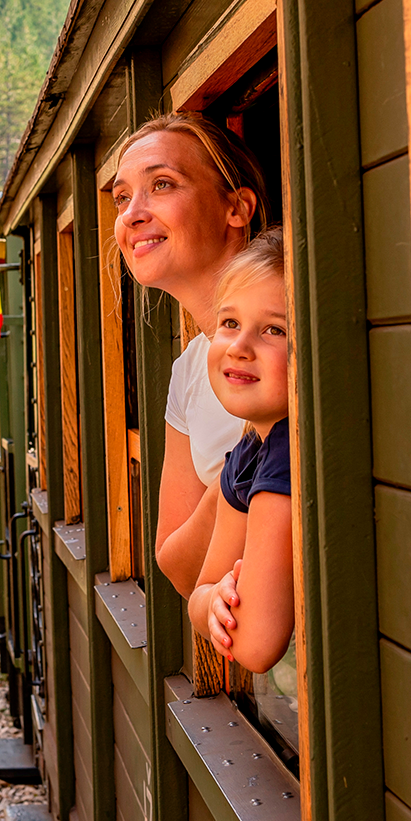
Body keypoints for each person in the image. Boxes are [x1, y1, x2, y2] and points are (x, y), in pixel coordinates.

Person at [107, 113, 267, 597]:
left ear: (235, 208)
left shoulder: (288, 338)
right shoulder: (189, 369)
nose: (133, 212)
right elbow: (175, 565)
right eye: (121, 197)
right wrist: (243, 470)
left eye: (161, 184)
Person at [188, 229, 294, 673]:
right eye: (229, 323)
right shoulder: (252, 447)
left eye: (274, 329)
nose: (239, 347)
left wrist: (215, 600)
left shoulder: (289, 453)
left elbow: (252, 646)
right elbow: (199, 593)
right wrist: (214, 598)